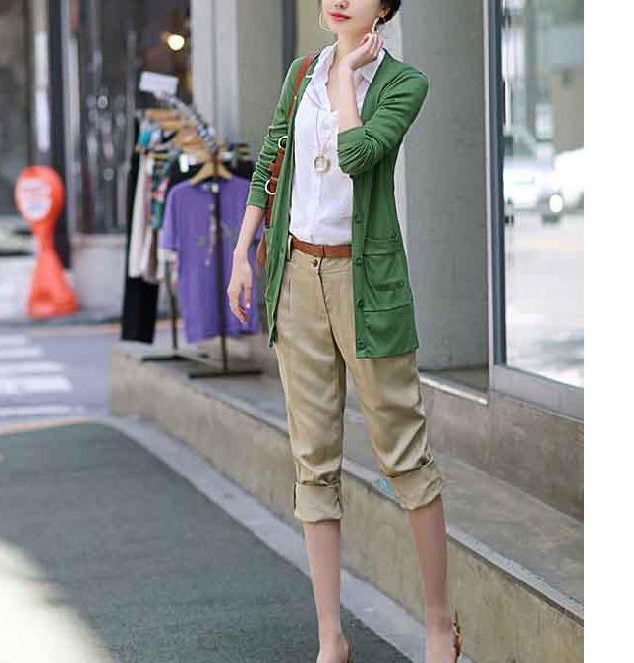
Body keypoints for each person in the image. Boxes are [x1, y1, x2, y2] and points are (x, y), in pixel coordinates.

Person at [228, 2, 463, 662]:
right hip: (296, 277)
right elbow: (272, 160)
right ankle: (330, 636)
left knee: (405, 455)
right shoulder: (300, 72)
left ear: (384, 8)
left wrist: (344, 84)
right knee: (313, 463)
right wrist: (245, 248)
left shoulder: (404, 83)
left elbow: (358, 156)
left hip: (367, 287)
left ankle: (439, 624)